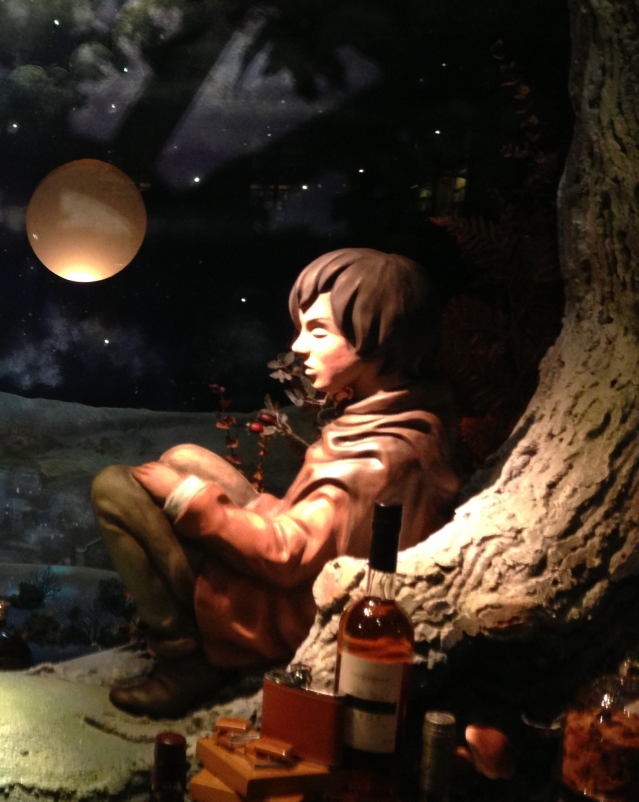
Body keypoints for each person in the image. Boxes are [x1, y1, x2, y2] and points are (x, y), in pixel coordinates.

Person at [92, 248, 463, 717]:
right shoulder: (407, 416)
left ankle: (187, 659)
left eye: (319, 331)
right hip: (302, 563)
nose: (299, 346)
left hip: (287, 611)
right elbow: (321, 528)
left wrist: (190, 500)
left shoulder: (376, 461)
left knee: (114, 488)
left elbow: (288, 556)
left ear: (379, 339)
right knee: (184, 458)